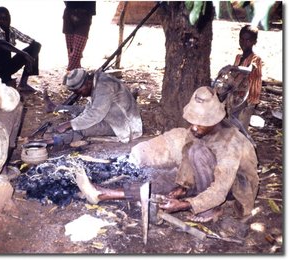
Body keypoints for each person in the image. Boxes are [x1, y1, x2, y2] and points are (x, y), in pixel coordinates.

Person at [73, 86, 259, 223]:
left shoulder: (230, 144)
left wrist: (185, 204)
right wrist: (181, 188)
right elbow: (187, 157)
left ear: (214, 120)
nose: (194, 126)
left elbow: (219, 190)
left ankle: (210, 210)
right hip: (205, 172)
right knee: (162, 180)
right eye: (192, 121)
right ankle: (105, 193)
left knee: (197, 152)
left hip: (232, 188)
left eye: (199, 123)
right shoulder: (200, 129)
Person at [38, 68, 143, 146]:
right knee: (79, 110)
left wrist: (69, 124)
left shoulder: (103, 88)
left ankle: (50, 142)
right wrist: (73, 122)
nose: (80, 95)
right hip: (112, 114)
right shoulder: (98, 80)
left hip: (123, 124)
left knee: (83, 128)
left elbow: (95, 115)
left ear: (87, 83)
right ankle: (55, 108)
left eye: (79, 91)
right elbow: (90, 110)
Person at [0, 6, 41, 92]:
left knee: (35, 47)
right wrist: (23, 54)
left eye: (8, 17)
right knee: (4, 49)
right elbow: (0, 43)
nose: (6, 20)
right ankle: (5, 81)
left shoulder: (12, 30)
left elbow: (34, 43)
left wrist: (30, 59)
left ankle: (23, 83)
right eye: (2, 18)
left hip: (6, 68)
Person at [218, 25, 263, 130]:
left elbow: (249, 69)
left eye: (248, 40)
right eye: (241, 39)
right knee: (232, 123)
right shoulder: (238, 57)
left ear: (254, 42)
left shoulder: (256, 59)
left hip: (249, 100)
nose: (244, 43)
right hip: (237, 98)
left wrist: (232, 67)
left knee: (242, 127)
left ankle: (248, 145)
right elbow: (235, 77)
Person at [62, 1, 96, 83]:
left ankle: (69, 76)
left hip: (84, 15)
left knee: (76, 53)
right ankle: (76, 77)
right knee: (71, 51)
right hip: (69, 13)